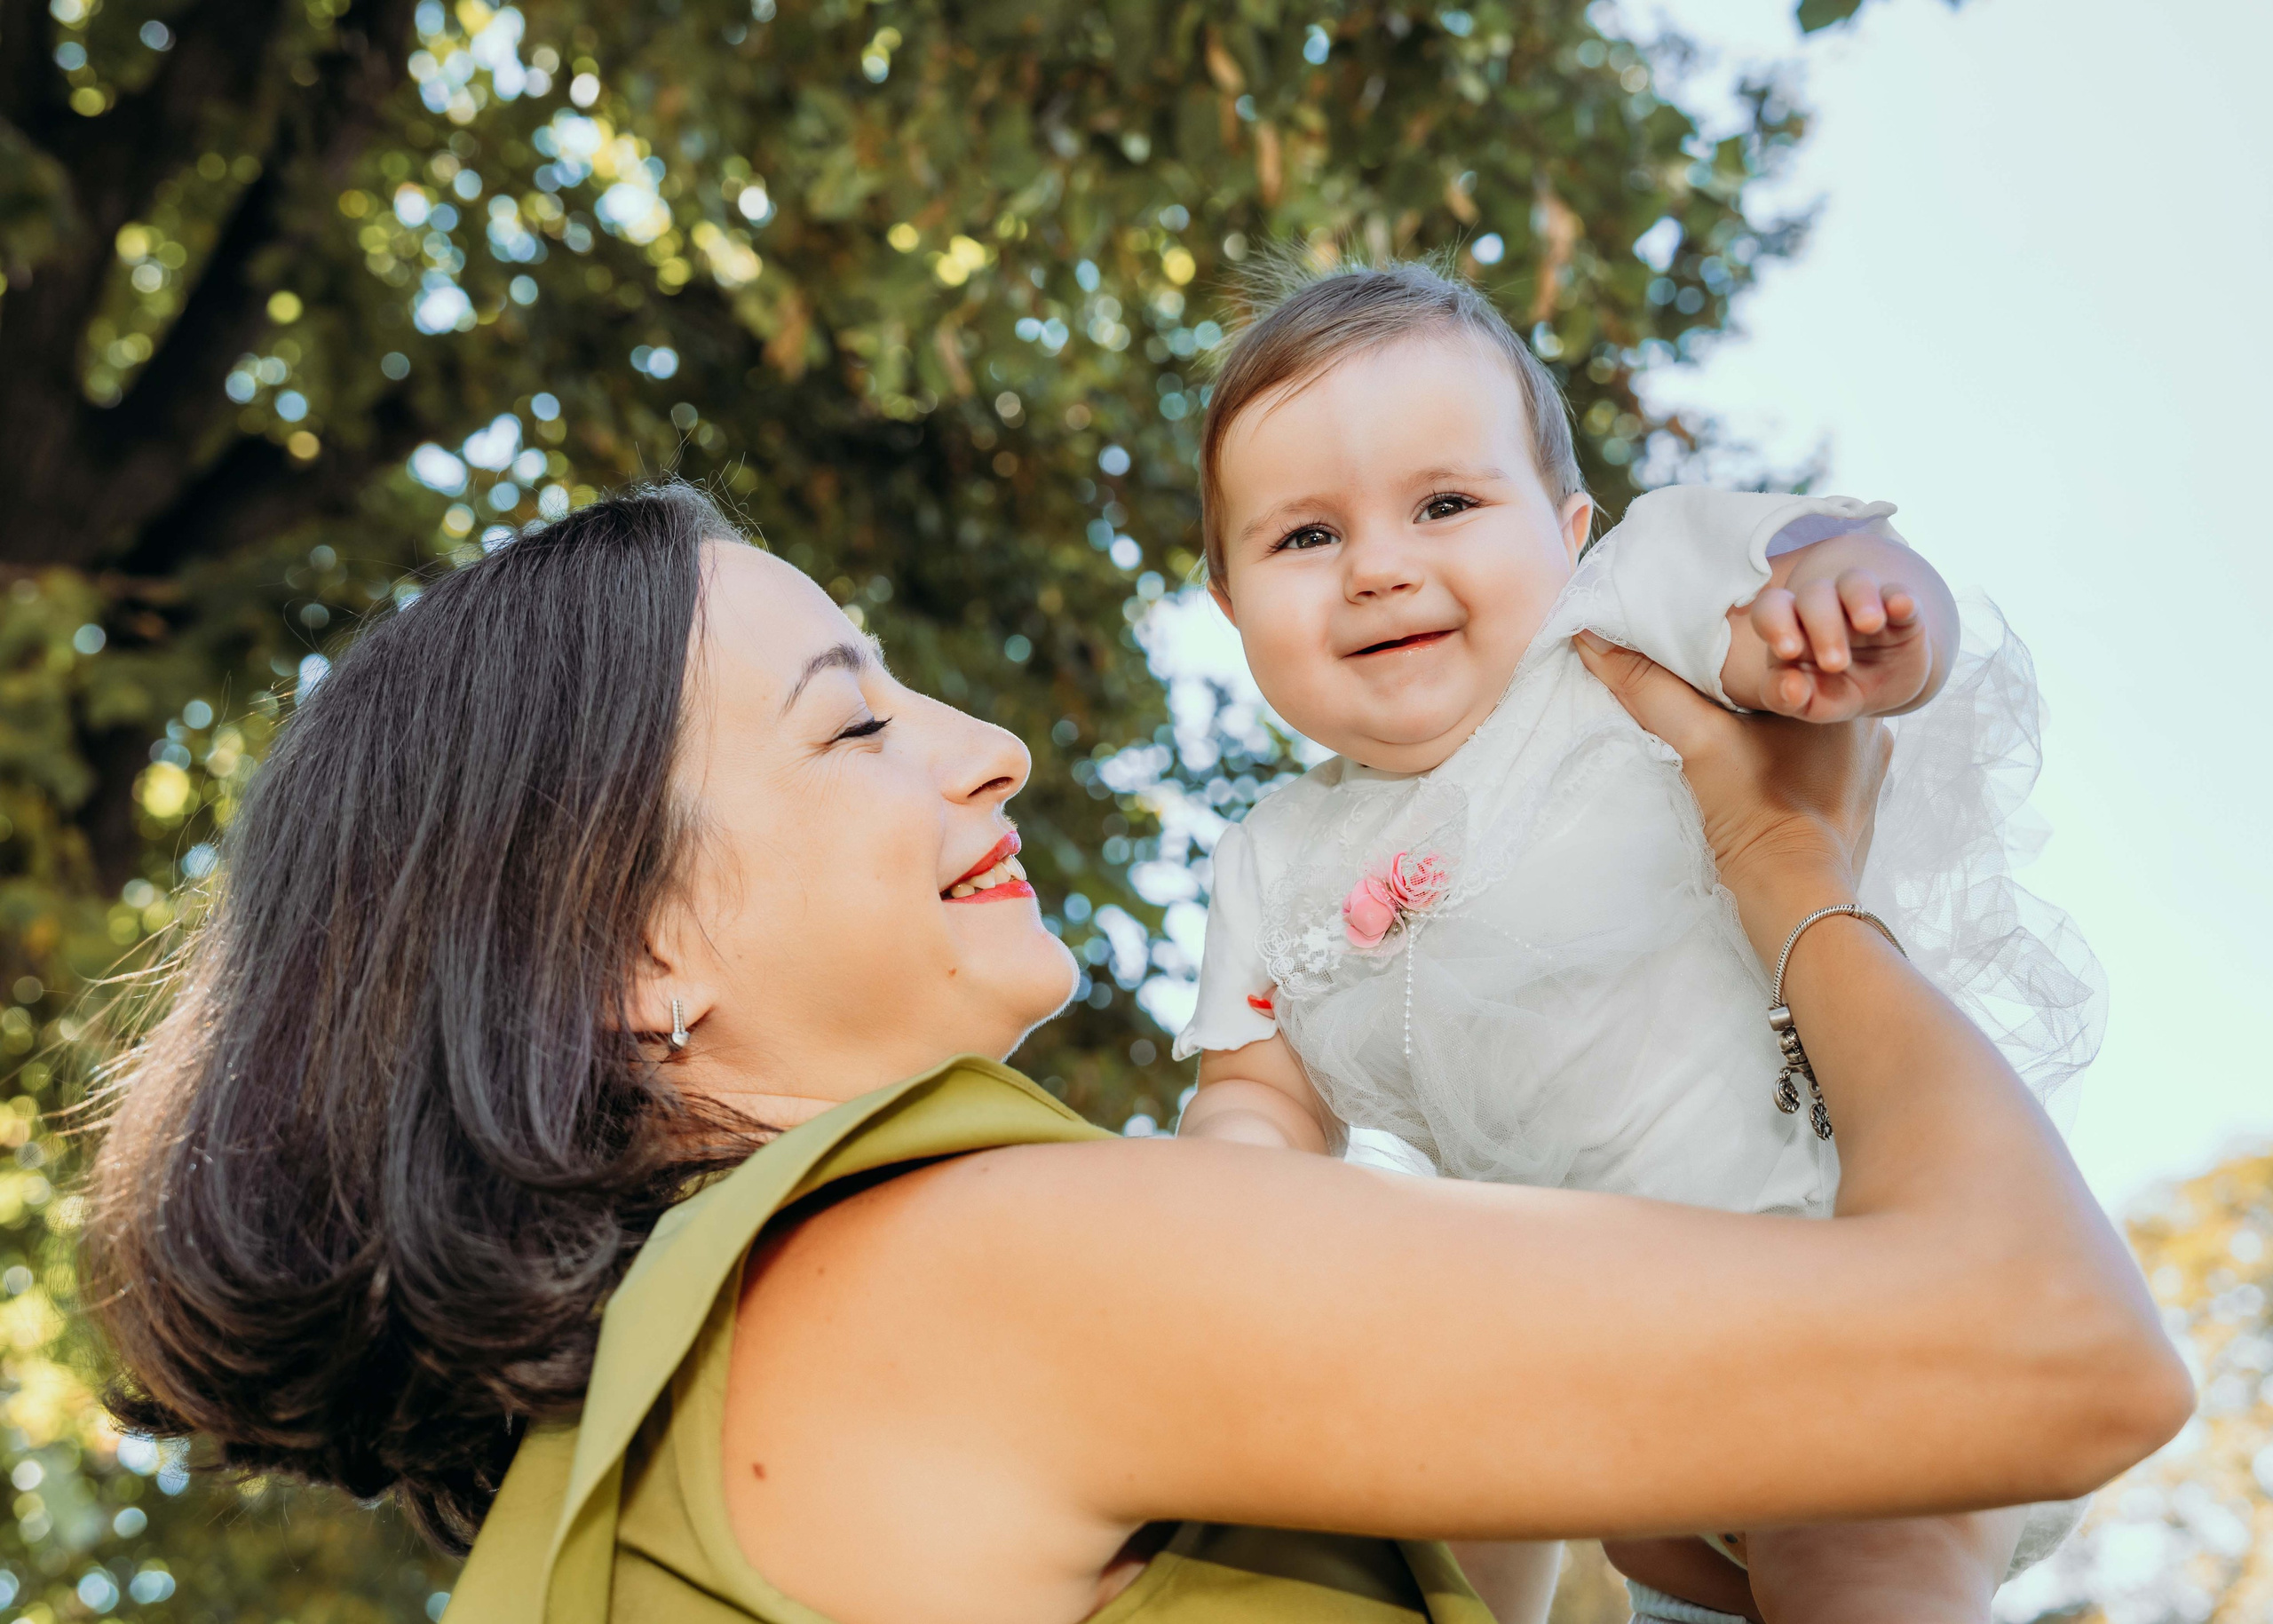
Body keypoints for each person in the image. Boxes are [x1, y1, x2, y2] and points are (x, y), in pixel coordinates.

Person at [81, 484, 2187, 1624]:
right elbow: (2053, 1353)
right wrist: (1777, 853)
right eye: (851, 720)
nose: (989, 748)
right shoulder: (968, 1278)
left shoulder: (718, 1417)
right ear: (630, 953)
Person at [1172, 262, 2108, 1623]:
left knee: (1854, 1562)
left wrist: (1850, 609)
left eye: (1446, 503)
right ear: (1228, 601)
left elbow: (1816, 558)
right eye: (1305, 537)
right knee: (1435, 1477)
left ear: (1569, 532)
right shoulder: (1270, 855)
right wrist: (1231, 1192)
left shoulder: (1617, 637)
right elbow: (1253, 1094)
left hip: (1852, 1297)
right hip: (1612, 1374)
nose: (1379, 566)